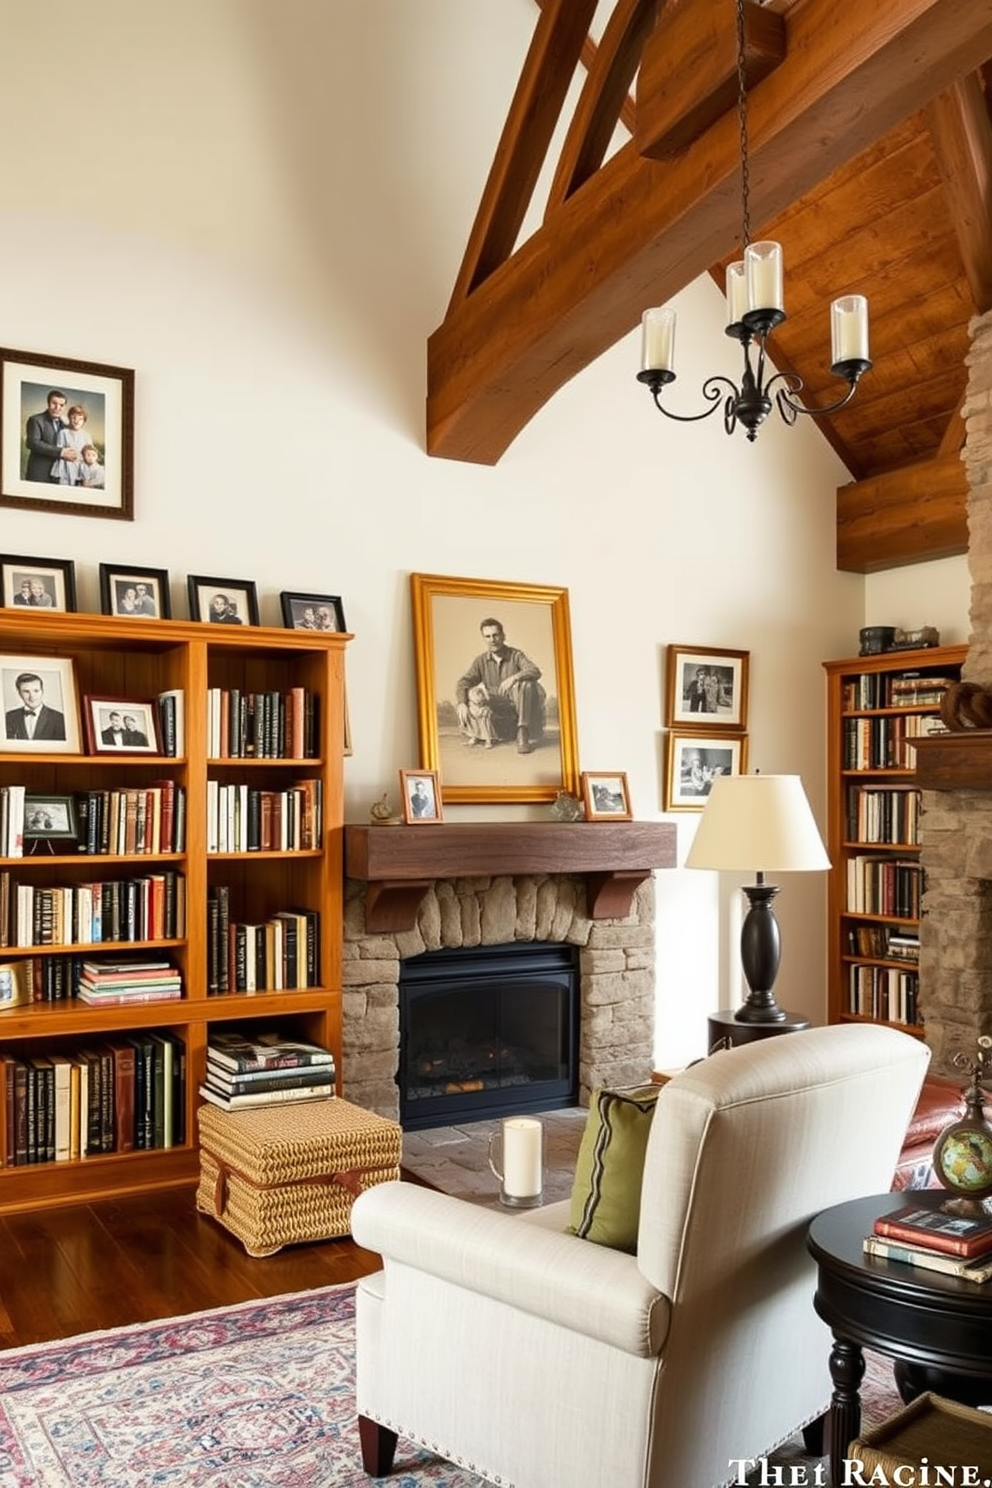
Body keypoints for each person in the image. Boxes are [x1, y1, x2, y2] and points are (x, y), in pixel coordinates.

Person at [454, 617, 546, 755]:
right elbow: (463, 682)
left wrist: (514, 678)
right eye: (488, 636)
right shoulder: (480, 661)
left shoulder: (516, 655)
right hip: (497, 709)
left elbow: (535, 671)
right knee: (472, 695)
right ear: (484, 639)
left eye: (496, 635)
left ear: (503, 636)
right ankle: (484, 733)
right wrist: (461, 703)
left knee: (526, 683)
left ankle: (522, 731)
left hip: (520, 709)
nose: (492, 640)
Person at [24, 390, 72, 484]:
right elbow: (33, 443)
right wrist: (60, 452)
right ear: (48, 403)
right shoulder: (35, 420)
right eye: (54, 403)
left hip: (58, 475)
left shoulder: (65, 424)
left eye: (61, 405)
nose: (57, 407)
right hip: (39, 473)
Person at [4, 672, 66, 741]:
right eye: (26, 691)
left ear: (42, 691)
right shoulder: (9, 717)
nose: (32, 696)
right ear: (19, 693)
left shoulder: (59, 718)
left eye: (36, 691)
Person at [52, 404, 91, 486]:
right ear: (69, 418)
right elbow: (59, 449)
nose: (76, 421)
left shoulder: (86, 435)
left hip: (81, 466)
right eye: (74, 418)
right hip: (66, 465)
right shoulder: (63, 433)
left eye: (80, 419)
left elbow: (89, 451)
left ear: (84, 421)